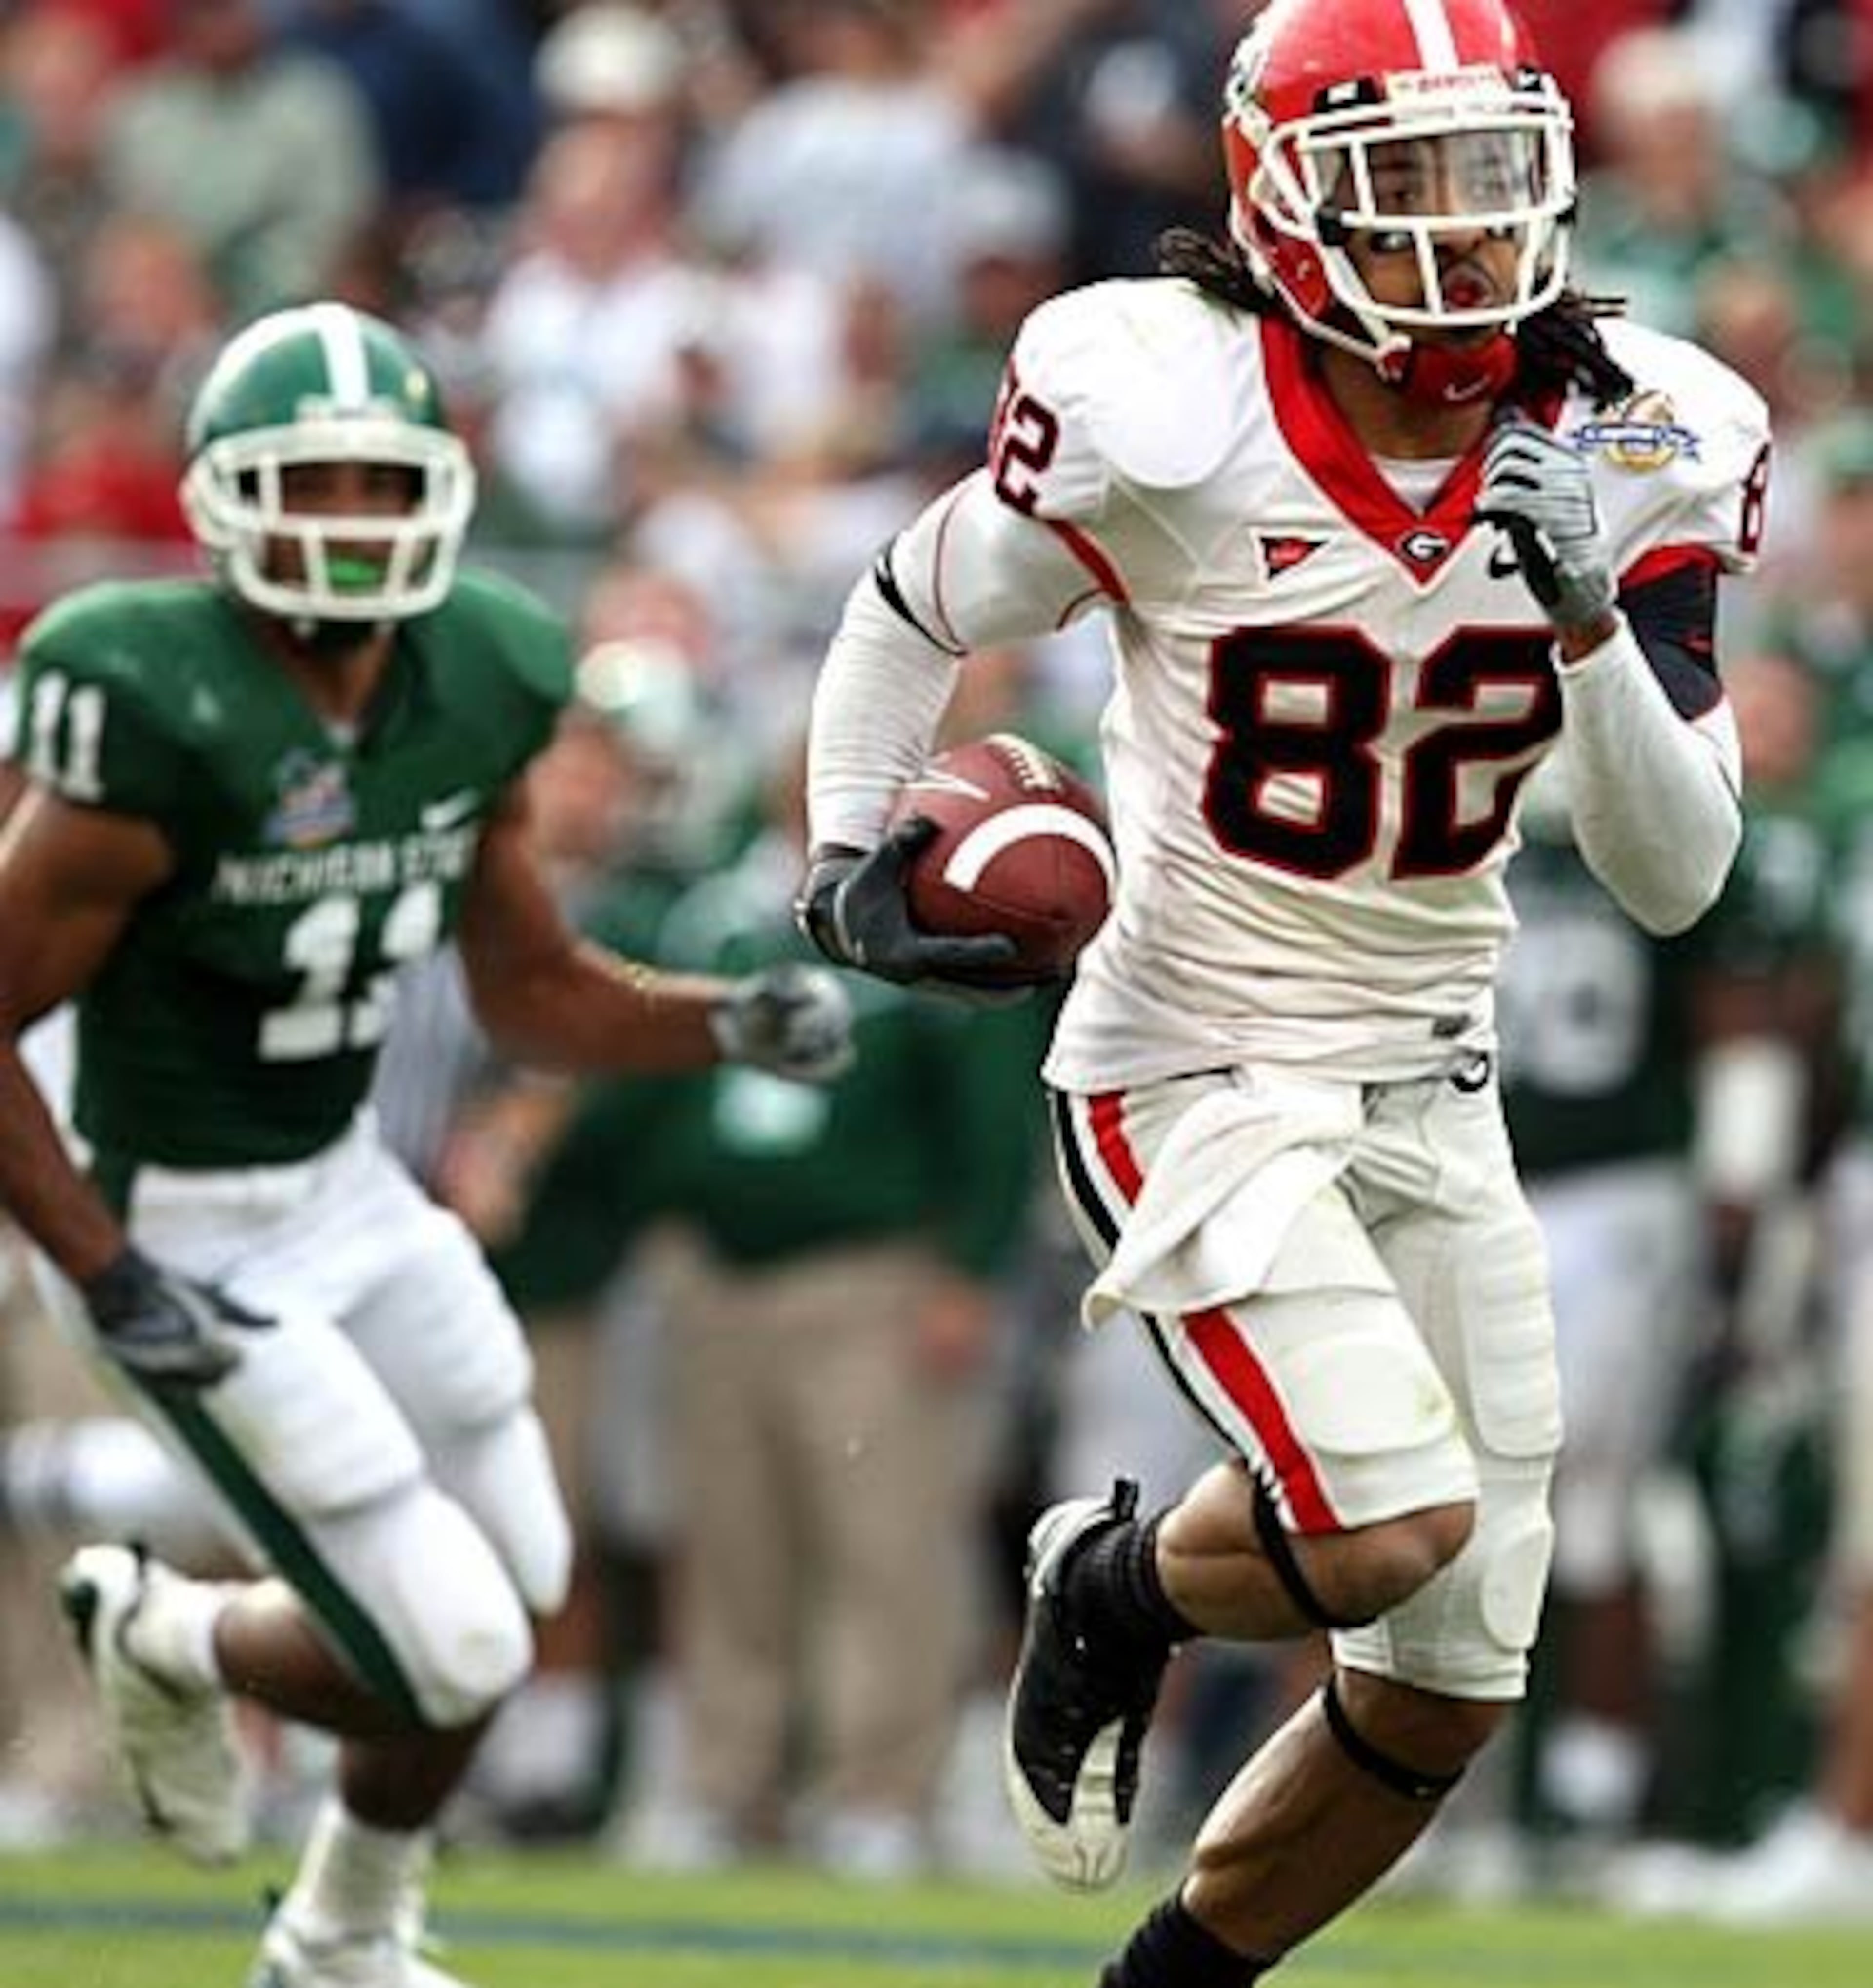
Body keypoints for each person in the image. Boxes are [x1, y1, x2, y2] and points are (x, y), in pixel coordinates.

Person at [794, 0, 1768, 1980]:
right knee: (1393, 1519)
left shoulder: (1648, 430)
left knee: (1449, 1675)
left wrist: (1587, 622)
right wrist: (837, 852)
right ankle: (1122, 1582)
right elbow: (916, 597)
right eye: (1402, 180)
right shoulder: (1166, 401)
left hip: (1438, 1070)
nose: (1465, 228)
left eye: (1490, 171)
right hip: (1190, 1052)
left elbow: (1680, 875)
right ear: (1279, 193)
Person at [0, 299, 852, 1988]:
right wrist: (105, 1266)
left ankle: (326, 1908)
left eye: (378, 488)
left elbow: (530, 985)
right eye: (307, 485)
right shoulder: (144, 700)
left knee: (520, 1579)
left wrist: (719, 1015)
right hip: (175, 1212)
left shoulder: (481, 670)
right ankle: (201, 1684)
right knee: (445, 1639)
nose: (345, 528)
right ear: (226, 501)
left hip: (349, 1190)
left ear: (438, 499)